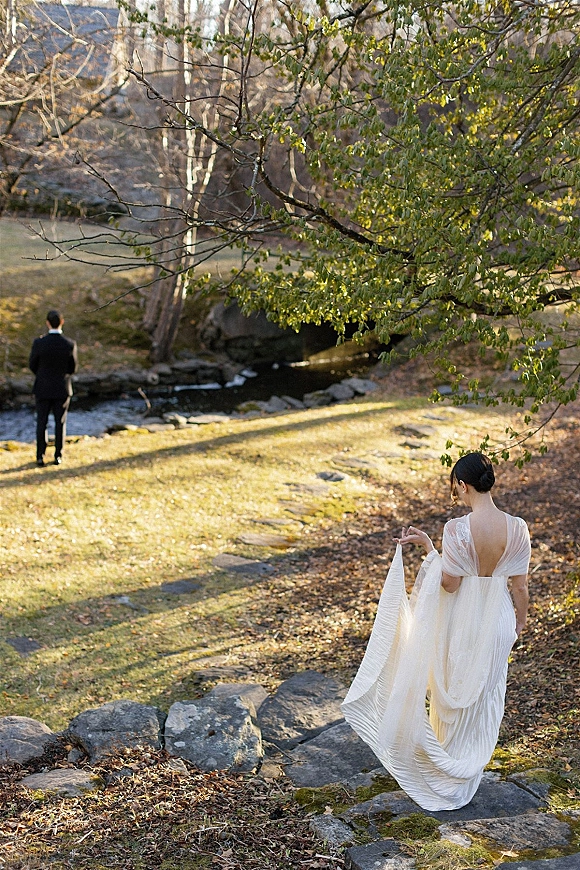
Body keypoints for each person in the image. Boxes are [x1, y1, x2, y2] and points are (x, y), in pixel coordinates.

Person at [341, 452, 531, 811]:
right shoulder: (518, 527)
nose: (456, 493)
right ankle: (468, 774)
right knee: (484, 698)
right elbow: (519, 587)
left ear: (462, 484)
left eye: (454, 487)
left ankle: (446, 774)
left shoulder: (457, 529)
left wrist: (431, 551)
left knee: (453, 695)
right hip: (499, 621)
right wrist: (518, 623)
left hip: (465, 621)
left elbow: (449, 585)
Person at [29, 310, 78, 467]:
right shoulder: (69, 344)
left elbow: (32, 365)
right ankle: (58, 455)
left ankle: (40, 456)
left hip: (42, 387)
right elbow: (72, 368)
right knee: (60, 422)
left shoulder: (39, 343)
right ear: (62, 322)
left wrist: (42, 375)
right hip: (62, 388)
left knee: (41, 422)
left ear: (47, 323)